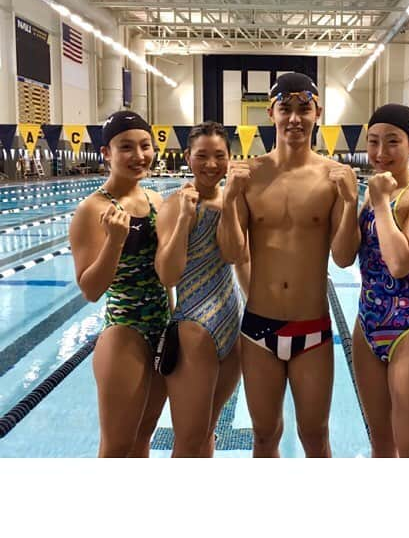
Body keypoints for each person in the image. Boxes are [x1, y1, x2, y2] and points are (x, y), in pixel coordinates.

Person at [217, 72, 359, 458]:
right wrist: (229, 200)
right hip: (258, 327)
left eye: (303, 109)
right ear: (271, 113)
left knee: (315, 436)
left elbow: (344, 257)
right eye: (286, 109)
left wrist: (350, 204)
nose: (294, 118)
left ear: (318, 113)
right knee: (264, 436)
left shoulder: (332, 178)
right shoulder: (250, 175)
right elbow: (232, 253)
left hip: (312, 328)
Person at [69, 111, 169, 457]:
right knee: (116, 446)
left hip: (163, 327)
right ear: (106, 153)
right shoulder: (91, 210)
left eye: (144, 146)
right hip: (125, 330)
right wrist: (114, 241)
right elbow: (90, 289)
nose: (139, 156)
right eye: (126, 147)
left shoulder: (156, 200)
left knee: (144, 435)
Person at [353, 104, 409, 457]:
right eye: (373, 142)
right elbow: (346, 256)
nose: (380, 152)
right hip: (367, 324)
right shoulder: (370, 192)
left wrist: (379, 203)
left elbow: (400, 263)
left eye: (392, 142)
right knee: (381, 446)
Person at [155, 122, 248, 457]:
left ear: (229, 157)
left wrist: (232, 199)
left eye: (219, 156)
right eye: (202, 156)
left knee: (208, 429)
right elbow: (168, 274)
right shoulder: (173, 205)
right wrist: (183, 219)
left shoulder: (231, 201)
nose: (211, 164)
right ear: (188, 157)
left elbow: (235, 254)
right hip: (194, 324)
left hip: (232, 321)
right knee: (189, 438)